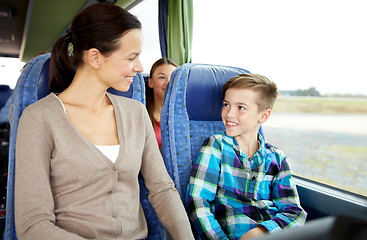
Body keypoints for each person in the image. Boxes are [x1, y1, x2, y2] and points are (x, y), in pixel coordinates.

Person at [14, 3, 194, 240]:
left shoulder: (136, 114)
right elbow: (33, 225)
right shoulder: (39, 118)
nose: (139, 68)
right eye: (131, 57)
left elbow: (162, 190)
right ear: (95, 57)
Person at [186, 73, 307, 240]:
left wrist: (261, 231)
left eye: (240, 107)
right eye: (226, 105)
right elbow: (197, 202)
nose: (229, 114)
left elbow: (294, 212)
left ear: (263, 115)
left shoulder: (277, 158)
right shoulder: (216, 146)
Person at [146, 58, 177, 148]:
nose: (168, 82)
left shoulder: (185, 118)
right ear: (151, 82)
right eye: (162, 77)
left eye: (173, 78)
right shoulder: (142, 117)